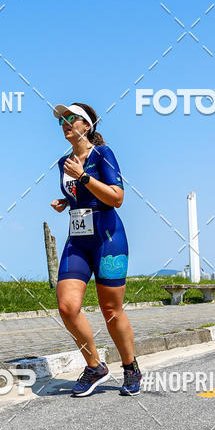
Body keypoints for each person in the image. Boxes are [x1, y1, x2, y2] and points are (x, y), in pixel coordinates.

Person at [50, 102, 142, 397]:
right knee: (67, 307)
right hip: (77, 240)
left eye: (71, 118)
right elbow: (81, 196)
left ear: (86, 126)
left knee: (111, 309)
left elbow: (117, 197)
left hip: (108, 238)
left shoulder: (103, 154)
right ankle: (95, 366)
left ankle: (130, 367)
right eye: (62, 120)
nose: (65, 123)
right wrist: (66, 202)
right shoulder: (63, 162)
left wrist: (84, 177)